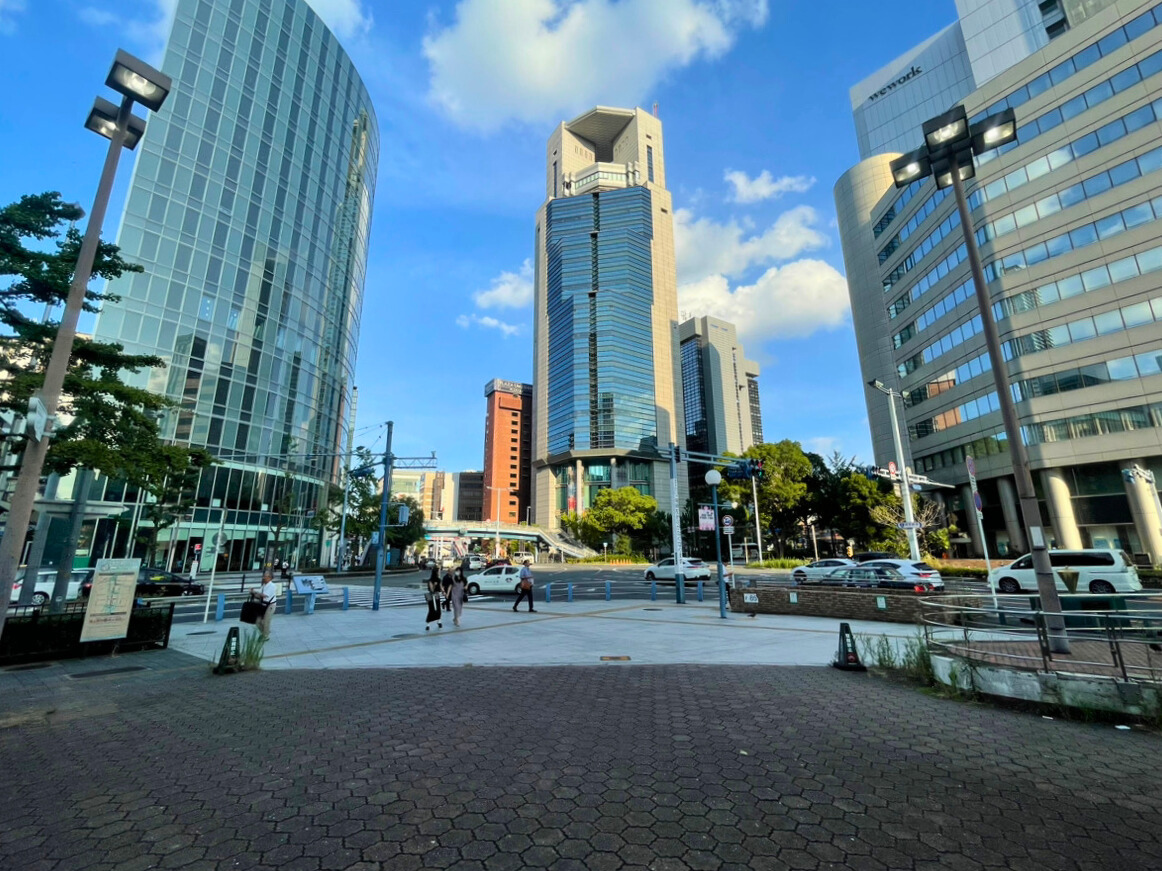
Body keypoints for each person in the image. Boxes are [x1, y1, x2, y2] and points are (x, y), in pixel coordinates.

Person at [250, 570, 278, 641]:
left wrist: (255, 592)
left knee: (266, 621)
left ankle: (265, 636)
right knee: (257, 621)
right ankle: (266, 632)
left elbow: (265, 595)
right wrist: (253, 593)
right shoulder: (264, 585)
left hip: (270, 606)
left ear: (270, 577)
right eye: (263, 576)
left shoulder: (272, 586)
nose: (263, 578)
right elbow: (260, 594)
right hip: (263, 605)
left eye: (265, 576)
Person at [424, 567, 443, 631]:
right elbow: (431, 590)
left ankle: (439, 621)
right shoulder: (431, 580)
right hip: (432, 597)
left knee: (438, 609)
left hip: (437, 596)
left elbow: (441, 587)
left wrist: (445, 593)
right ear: (436, 572)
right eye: (439, 571)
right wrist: (434, 585)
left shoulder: (439, 580)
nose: (439, 572)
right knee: (432, 610)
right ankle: (428, 624)